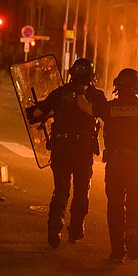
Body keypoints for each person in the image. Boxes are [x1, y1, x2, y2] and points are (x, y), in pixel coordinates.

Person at [77, 68, 138, 263]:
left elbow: (86, 109)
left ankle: (116, 252)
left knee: (114, 205)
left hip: (115, 163)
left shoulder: (109, 108)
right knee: (135, 202)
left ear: (117, 87)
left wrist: (80, 90)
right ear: (136, 87)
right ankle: (132, 227)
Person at [27, 58, 107, 248]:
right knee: (81, 190)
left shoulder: (60, 92)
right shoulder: (96, 95)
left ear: (72, 74)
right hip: (83, 150)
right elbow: (104, 114)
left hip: (61, 147)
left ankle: (54, 227)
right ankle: (77, 229)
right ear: (91, 76)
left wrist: (38, 110)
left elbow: (37, 114)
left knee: (61, 189)